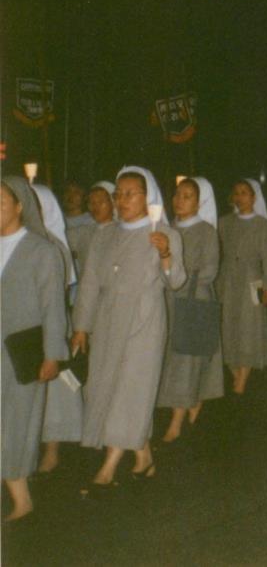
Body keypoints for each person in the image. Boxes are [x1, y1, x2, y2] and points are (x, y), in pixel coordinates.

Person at [73, 166, 186, 494]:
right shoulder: (104, 235)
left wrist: (165, 253)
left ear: (147, 197)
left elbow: (176, 281)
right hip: (107, 322)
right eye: (117, 194)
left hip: (143, 322)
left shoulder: (164, 233)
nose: (121, 201)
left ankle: (108, 467)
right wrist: (81, 326)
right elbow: (90, 282)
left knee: (130, 389)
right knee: (106, 386)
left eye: (130, 194)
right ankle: (143, 454)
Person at [1, 177, 68, 522]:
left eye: (0, 202)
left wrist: (52, 354)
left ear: (19, 206)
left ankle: (22, 499)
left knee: (16, 423)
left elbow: (53, 307)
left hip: (20, 352)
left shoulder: (43, 250)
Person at [156, 177, 224, 443]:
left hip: (195, 299)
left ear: (199, 202)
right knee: (174, 359)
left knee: (187, 360)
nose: (179, 200)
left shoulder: (206, 232)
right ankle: (190, 404)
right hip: (169, 302)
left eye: (187, 196)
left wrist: (179, 275)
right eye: (177, 195)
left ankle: (176, 420)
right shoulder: (167, 230)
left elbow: (209, 270)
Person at [30, 184, 83, 475]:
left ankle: (52, 450)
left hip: (49, 319)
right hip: (20, 322)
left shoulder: (53, 244)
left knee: (54, 392)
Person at [218, 179, 267, 396]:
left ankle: (243, 377)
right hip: (228, 281)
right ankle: (236, 372)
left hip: (252, 281)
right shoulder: (224, 223)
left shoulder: (263, 225)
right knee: (229, 327)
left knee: (249, 328)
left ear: (254, 197)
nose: (240, 197)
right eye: (237, 193)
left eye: (245, 193)